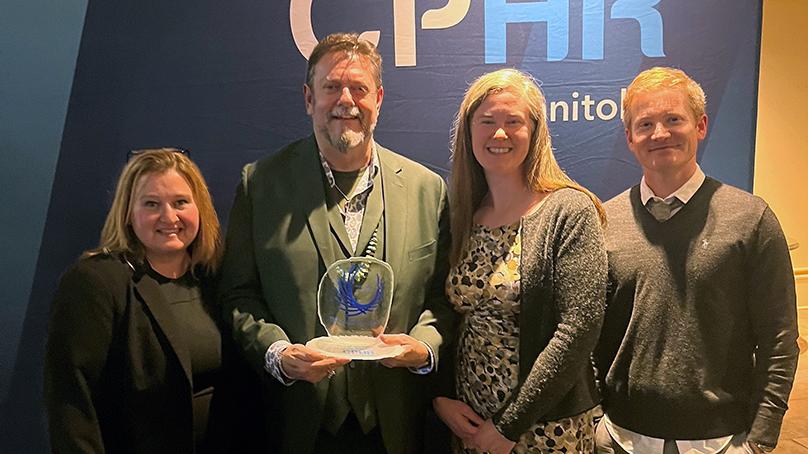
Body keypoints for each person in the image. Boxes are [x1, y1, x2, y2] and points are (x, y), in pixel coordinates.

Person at [218, 32, 454, 454]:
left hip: (396, 424)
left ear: (378, 99)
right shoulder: (261, 185)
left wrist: (424, 346)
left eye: (359, 88)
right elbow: (239, 293)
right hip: (298, 421)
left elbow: (443, 297)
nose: (346, 100)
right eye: (331, 87)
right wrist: (276, 352)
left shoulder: (427, 189)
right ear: (309, 98)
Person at [594, 67, 799, 454]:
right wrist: (595, 421)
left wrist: (761, 438)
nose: (659, 133)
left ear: (701, 125)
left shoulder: (750, 219)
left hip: (722, 441)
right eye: (646, 123)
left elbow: (779, 338)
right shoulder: (605, 221)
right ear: (629, 138)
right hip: (620, 439)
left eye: (674, 119)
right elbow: (591, 334)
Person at [433, 68, 608, 454]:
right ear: (469, 132)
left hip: (544, 429)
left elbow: (578, 330)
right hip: (471, 426)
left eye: (514, 121)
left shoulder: (568, 210)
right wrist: (441, 398)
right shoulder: (463, 215)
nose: (500, 133)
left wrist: (508, 427)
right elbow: (449, 317)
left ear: (535, 131)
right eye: (487, 122)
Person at [44, 148, 245, 453]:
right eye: (151, 204)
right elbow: (71, 399)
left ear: (199, 208)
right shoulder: (95, 281)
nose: (169, 217)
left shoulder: (216, 277)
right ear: (128, 212)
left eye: (180, 202)